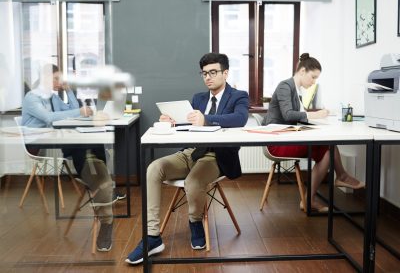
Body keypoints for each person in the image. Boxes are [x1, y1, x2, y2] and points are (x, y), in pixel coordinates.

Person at [125, 53, 249, 265]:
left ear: (225, 73)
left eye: (213, 72)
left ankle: (195, 222)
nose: (208, 77)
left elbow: (240, 119)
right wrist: (172, 122)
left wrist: (207, 119)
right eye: (204, 73)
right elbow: (189, 125)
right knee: (154, 168)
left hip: (215, 157)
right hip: (191, 152)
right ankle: (152, 236)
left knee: (193, 181)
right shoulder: (198, 98)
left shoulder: (238, 96)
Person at [21, 63, 114, 251]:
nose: (60, 81)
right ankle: (99, 177)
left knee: (95, 143)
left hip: (57, 140)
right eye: (57, 78)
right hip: (41, 145)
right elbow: (49, 118)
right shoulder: (33, 98)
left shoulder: (53, 97)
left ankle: (99, 176)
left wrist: (69, 90)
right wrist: (79, 112)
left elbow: (70, 109)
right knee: (90, 149)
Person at [262, 53, 365, 212]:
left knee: (328, 146)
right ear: (302, 71)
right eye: (313, 77)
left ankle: (337, 179)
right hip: (276, 142)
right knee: (328, 150)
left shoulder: (296, 90)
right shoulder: (285, 86)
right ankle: (318, 194)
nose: (314, 82)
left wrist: (317, 118)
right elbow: (288, 114)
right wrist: (315, 115)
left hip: (285, 136)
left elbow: (297, 117)